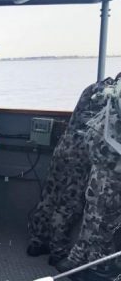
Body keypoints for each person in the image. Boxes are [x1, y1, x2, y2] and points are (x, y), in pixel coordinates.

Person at [26, 78, 114, 264]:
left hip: (65, 146)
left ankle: (37, 241)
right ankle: (58, 252)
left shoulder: (95, 87)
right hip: (82, 154)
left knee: (49, 195)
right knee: (69, 204)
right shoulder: (115, 98)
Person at [55, 76, 121, 281]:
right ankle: (94, 272)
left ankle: (78, 263)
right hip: (110, 170)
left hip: (104, 166)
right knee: (102, 224)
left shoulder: (111, 90)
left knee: (95, 220)